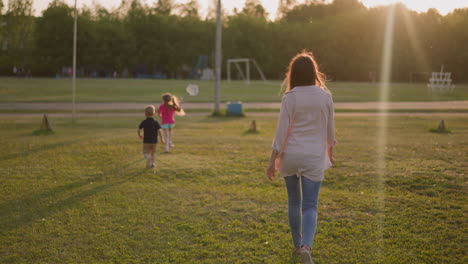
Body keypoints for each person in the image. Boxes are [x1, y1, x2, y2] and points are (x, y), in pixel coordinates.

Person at [266, 51, 336, 264]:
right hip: (314, 156)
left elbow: (281, 132)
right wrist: (329, 152)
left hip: (290, 156)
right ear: (314, 72)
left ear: (293, 73)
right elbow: (330, 132)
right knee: (310, 205)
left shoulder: (290, 97)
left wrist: (272, 160)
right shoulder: (325, 96)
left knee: (294, 201)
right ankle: (307, 246)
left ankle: (297, 246)